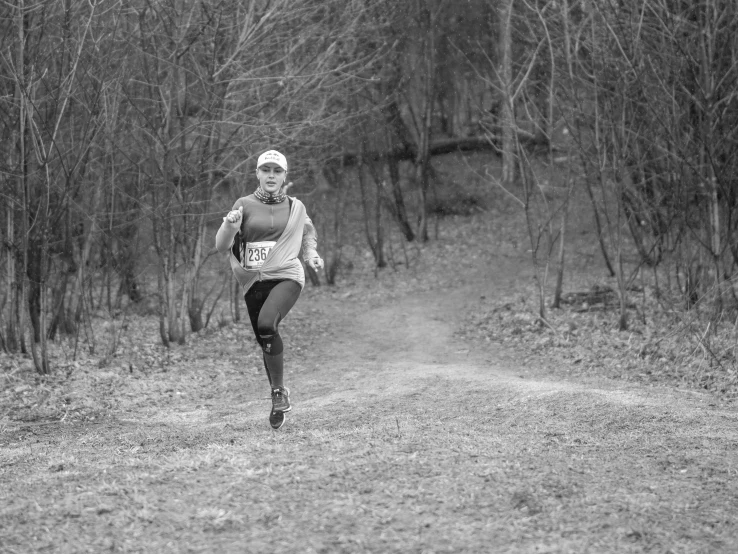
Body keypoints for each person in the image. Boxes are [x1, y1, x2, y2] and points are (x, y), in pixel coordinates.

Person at [215, 150, 323, 430]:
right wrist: (229, 226)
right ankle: (279, 393)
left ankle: (277, 393)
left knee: (266, 323)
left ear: (284, 175)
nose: (272, 175)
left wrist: (310, 254)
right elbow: (221, 245)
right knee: (265, 336)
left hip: (287, 274)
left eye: (277, 171)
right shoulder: (243, 204)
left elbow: (308, 231)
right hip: (252, 280)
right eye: (266, 170)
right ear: (258, 174)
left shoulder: (295, 207)